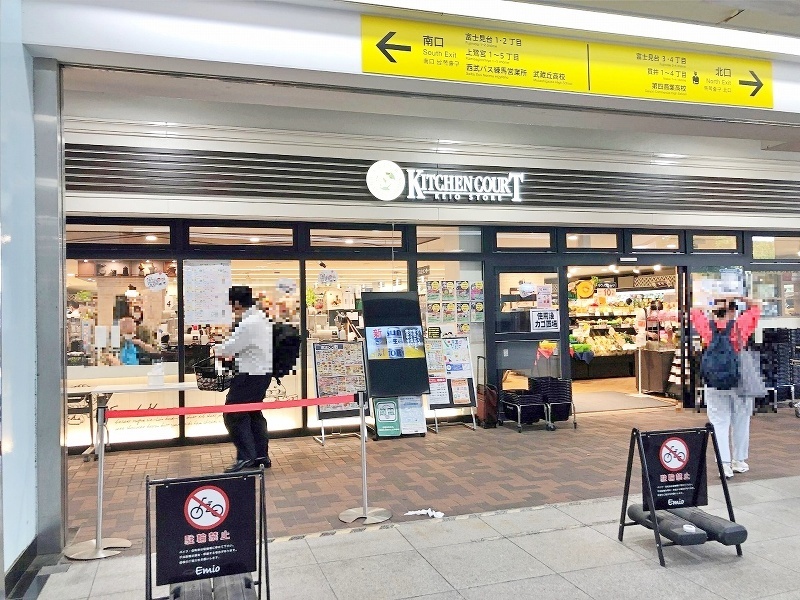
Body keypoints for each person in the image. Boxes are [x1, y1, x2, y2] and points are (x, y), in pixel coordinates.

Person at [691, 296, 761, 479]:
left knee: (719, 422)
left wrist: (711, 302)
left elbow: (694, 310)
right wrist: (738, 297)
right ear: (733, 311)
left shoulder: (707, 328)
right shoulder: (740, 325)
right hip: (739, 381)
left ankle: (724, 464)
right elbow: (757, 305)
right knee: (741, 420)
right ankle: (739, 460)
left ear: (714, 312)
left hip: (714, 382)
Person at [213, 285, 273, 472]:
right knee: (253, 413)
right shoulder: (261, 318)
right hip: (263, 373)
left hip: (249, 374)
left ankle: (246, 457)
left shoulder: (249, 323)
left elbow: (229, 348)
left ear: (238, 303)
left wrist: (216, 349)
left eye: (232, 304)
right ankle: (261, 456)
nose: (231, 309)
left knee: (233, 413)